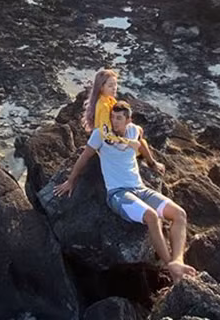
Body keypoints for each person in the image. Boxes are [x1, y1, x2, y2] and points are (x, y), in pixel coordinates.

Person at [55, 101, 196, 282]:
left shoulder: (133, 131)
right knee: (152, 217)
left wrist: (152, 163)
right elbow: (84, 156)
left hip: (140, 189)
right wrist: (70, 180)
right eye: (113, 117)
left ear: (129, 120)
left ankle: (178, 260)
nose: (115, 122)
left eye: (119, 118)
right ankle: (171, 266)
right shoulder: (101, 134)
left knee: (179, 214)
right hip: (118, 194)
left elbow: (141, 142)